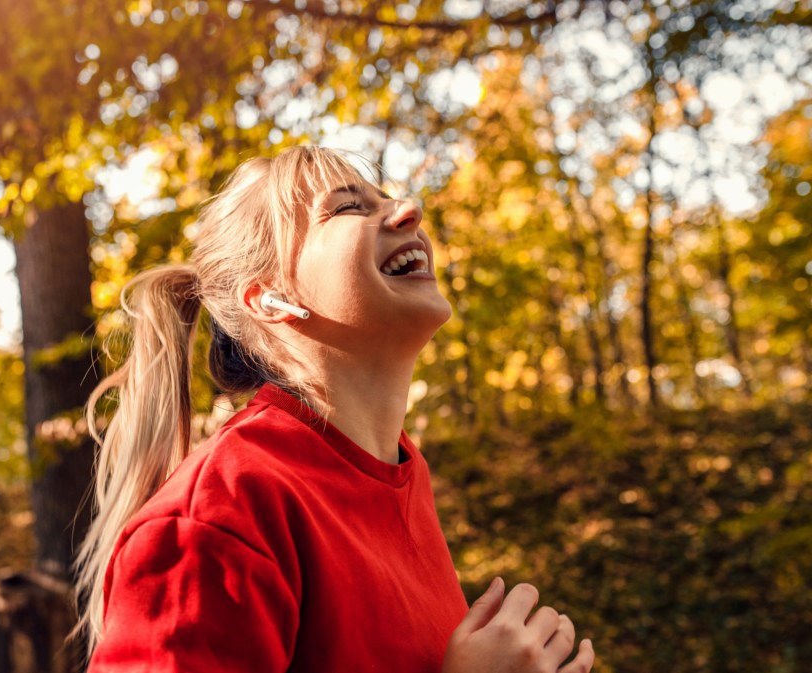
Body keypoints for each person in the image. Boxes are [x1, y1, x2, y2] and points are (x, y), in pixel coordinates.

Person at [74, 145, 596, 673]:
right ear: (270, 298)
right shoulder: (217, 512)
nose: (408, 209)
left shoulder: (400, 472)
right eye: (348, 208)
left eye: (387, 198)